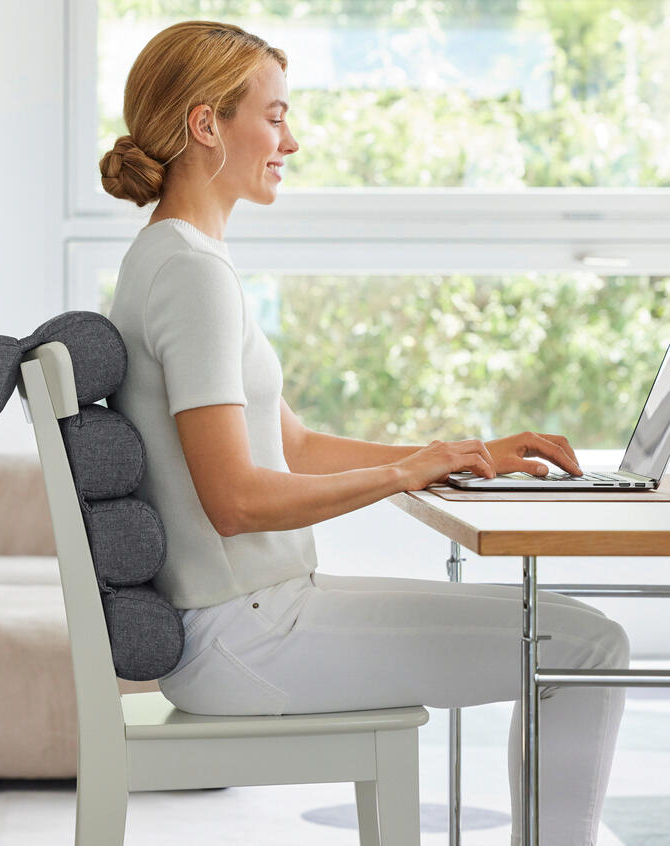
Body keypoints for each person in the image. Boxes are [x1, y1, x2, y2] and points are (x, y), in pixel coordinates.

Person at [100, 20, 629, 846]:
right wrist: (403, 473)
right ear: (207, 124)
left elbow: (297, 448)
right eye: (274, 117)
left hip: (250, 621)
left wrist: (460, 456)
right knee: (587, 642)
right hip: (249, 636)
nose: (291, 141)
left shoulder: (173, 257)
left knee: (576, 635)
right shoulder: (190, 274)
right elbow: (236, 501)